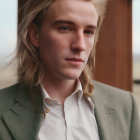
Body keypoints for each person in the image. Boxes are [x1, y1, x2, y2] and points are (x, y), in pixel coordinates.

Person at [0, 0, 140, 139]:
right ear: (35, 34)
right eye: (65, 28)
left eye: (88, 32)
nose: (80, 45)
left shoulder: (125, 106)